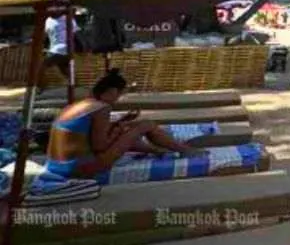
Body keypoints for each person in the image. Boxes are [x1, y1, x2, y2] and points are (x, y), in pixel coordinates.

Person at [48, 69, 204, 179]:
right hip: (81, 168)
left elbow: (87, 136)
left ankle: (158, 150)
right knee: (145, 125)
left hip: (57, 165)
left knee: (129, 131)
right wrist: (118, 131)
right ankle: (184, 150)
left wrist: (119, 125)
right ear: (113, 91)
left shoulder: (80, 105)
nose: (118, 99)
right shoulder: (102, 107)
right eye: (119, 95)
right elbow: (100, 146)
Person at [38, 10, 78, 91]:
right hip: (55, 49)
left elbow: (75, 34)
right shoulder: (48, 21)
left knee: (40, 67)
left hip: (62, 49)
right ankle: (75, 86)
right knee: (64, 70)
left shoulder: (67, 19)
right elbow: (46, 36)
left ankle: (40, 87)